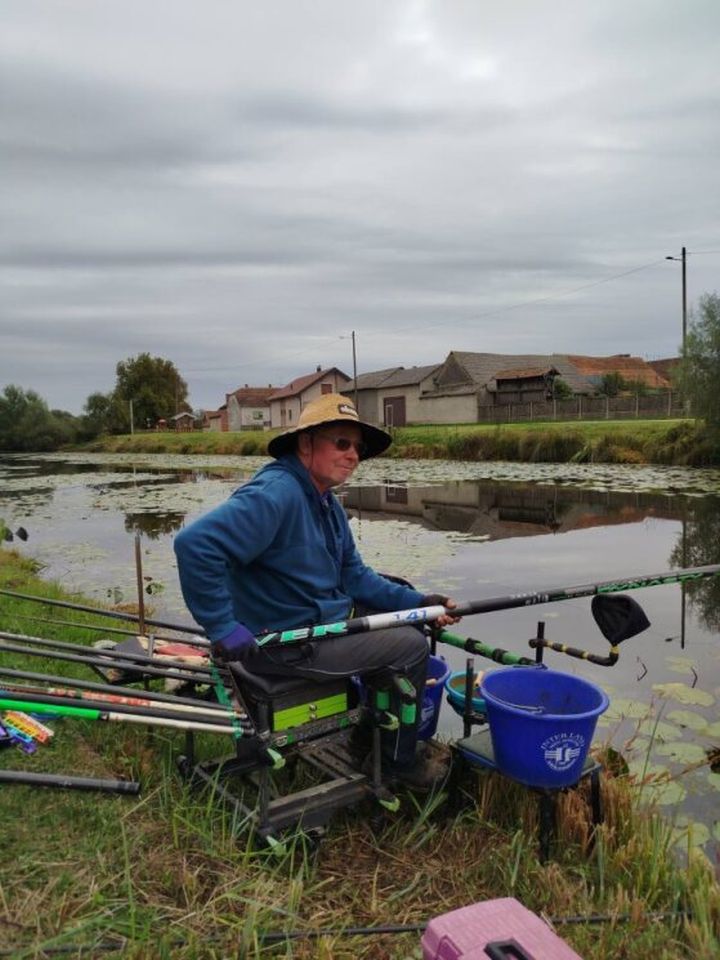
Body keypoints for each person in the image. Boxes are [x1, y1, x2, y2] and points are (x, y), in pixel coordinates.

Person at [174, 393, 459, 790]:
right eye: (341, 442)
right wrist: (222, 626)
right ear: (305, 444)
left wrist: (419, 604)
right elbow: (196, 546)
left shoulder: (327, 503)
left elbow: (356, 577)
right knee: (410, 647)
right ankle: (397, 760)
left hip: (320, 623)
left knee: (402, 603)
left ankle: (369, 739)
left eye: (357, 447)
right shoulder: (278, 494)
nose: (353, 454)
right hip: (285, 643)